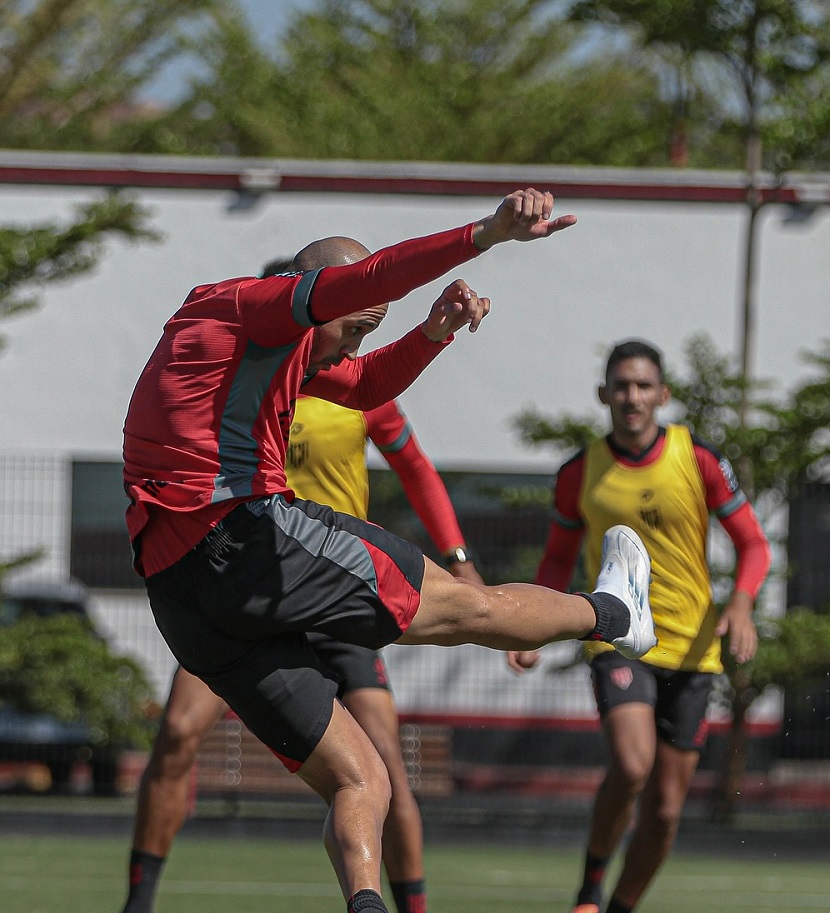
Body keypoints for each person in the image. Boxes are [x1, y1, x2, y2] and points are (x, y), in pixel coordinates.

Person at [121, 190, 655, 913]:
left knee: (364, 778)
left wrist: (432, 334)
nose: (358, 343)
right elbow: (372, 280)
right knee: (470, 607)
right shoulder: (264, 310)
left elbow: (370, 385)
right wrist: (487, 233)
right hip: (242, 539)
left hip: (181, 596)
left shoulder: (252, 344)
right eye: (357, 326)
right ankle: (614, 610)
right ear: (315, 296)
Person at [121, 376, 482, 913]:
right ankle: (138, 903)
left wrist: (459, 561)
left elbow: (415, 467)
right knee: (177, 730)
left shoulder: (364, 388)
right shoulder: (241, 386)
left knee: (385, 762)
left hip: (334, 595)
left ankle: (412, 906)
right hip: (251, 595)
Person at [506, 339, 770, 913]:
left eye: (644, 385)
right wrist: (532, 628)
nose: (632, 396)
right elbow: (556, 560)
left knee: (667, 809)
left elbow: (752, 544)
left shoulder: (697, 459)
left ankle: (620, 908)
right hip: (618, 639)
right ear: (603, 394)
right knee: (631, 765)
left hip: (694, 649)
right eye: (621, 385)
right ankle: (589, 893)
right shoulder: (580, 472)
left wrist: (742, 605)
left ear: (663, 395)